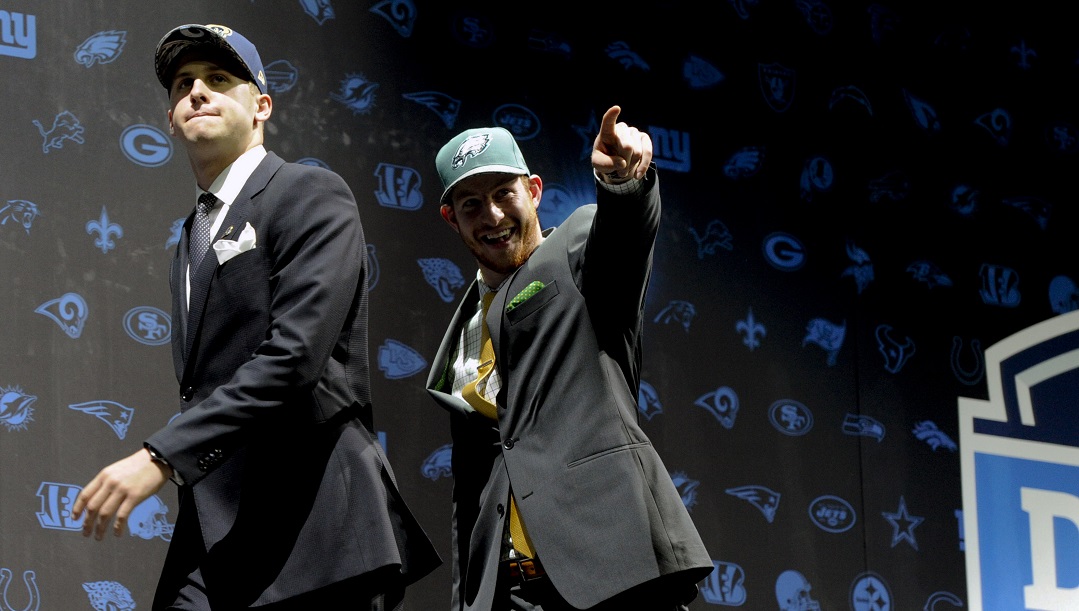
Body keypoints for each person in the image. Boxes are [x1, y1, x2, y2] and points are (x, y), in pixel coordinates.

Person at [72, 23, 440, 610]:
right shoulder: (190, 238)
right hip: (220, 528)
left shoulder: (310, 193)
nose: (196, 92)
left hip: (318, 531)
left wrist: (161, 457)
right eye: (182, 84)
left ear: (261, 105)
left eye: (219, 79)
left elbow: (293, 359)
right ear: (170, 118)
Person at [425, 106, 713, 610]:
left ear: (534, 191)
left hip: (610, 569)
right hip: (507, 590)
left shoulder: (575, 253)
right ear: (451, 219)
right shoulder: (466, 328)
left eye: (503, 194)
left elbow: (623, 239)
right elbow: (474, 485)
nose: (491, 216)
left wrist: (623, 182)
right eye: (471, 204)